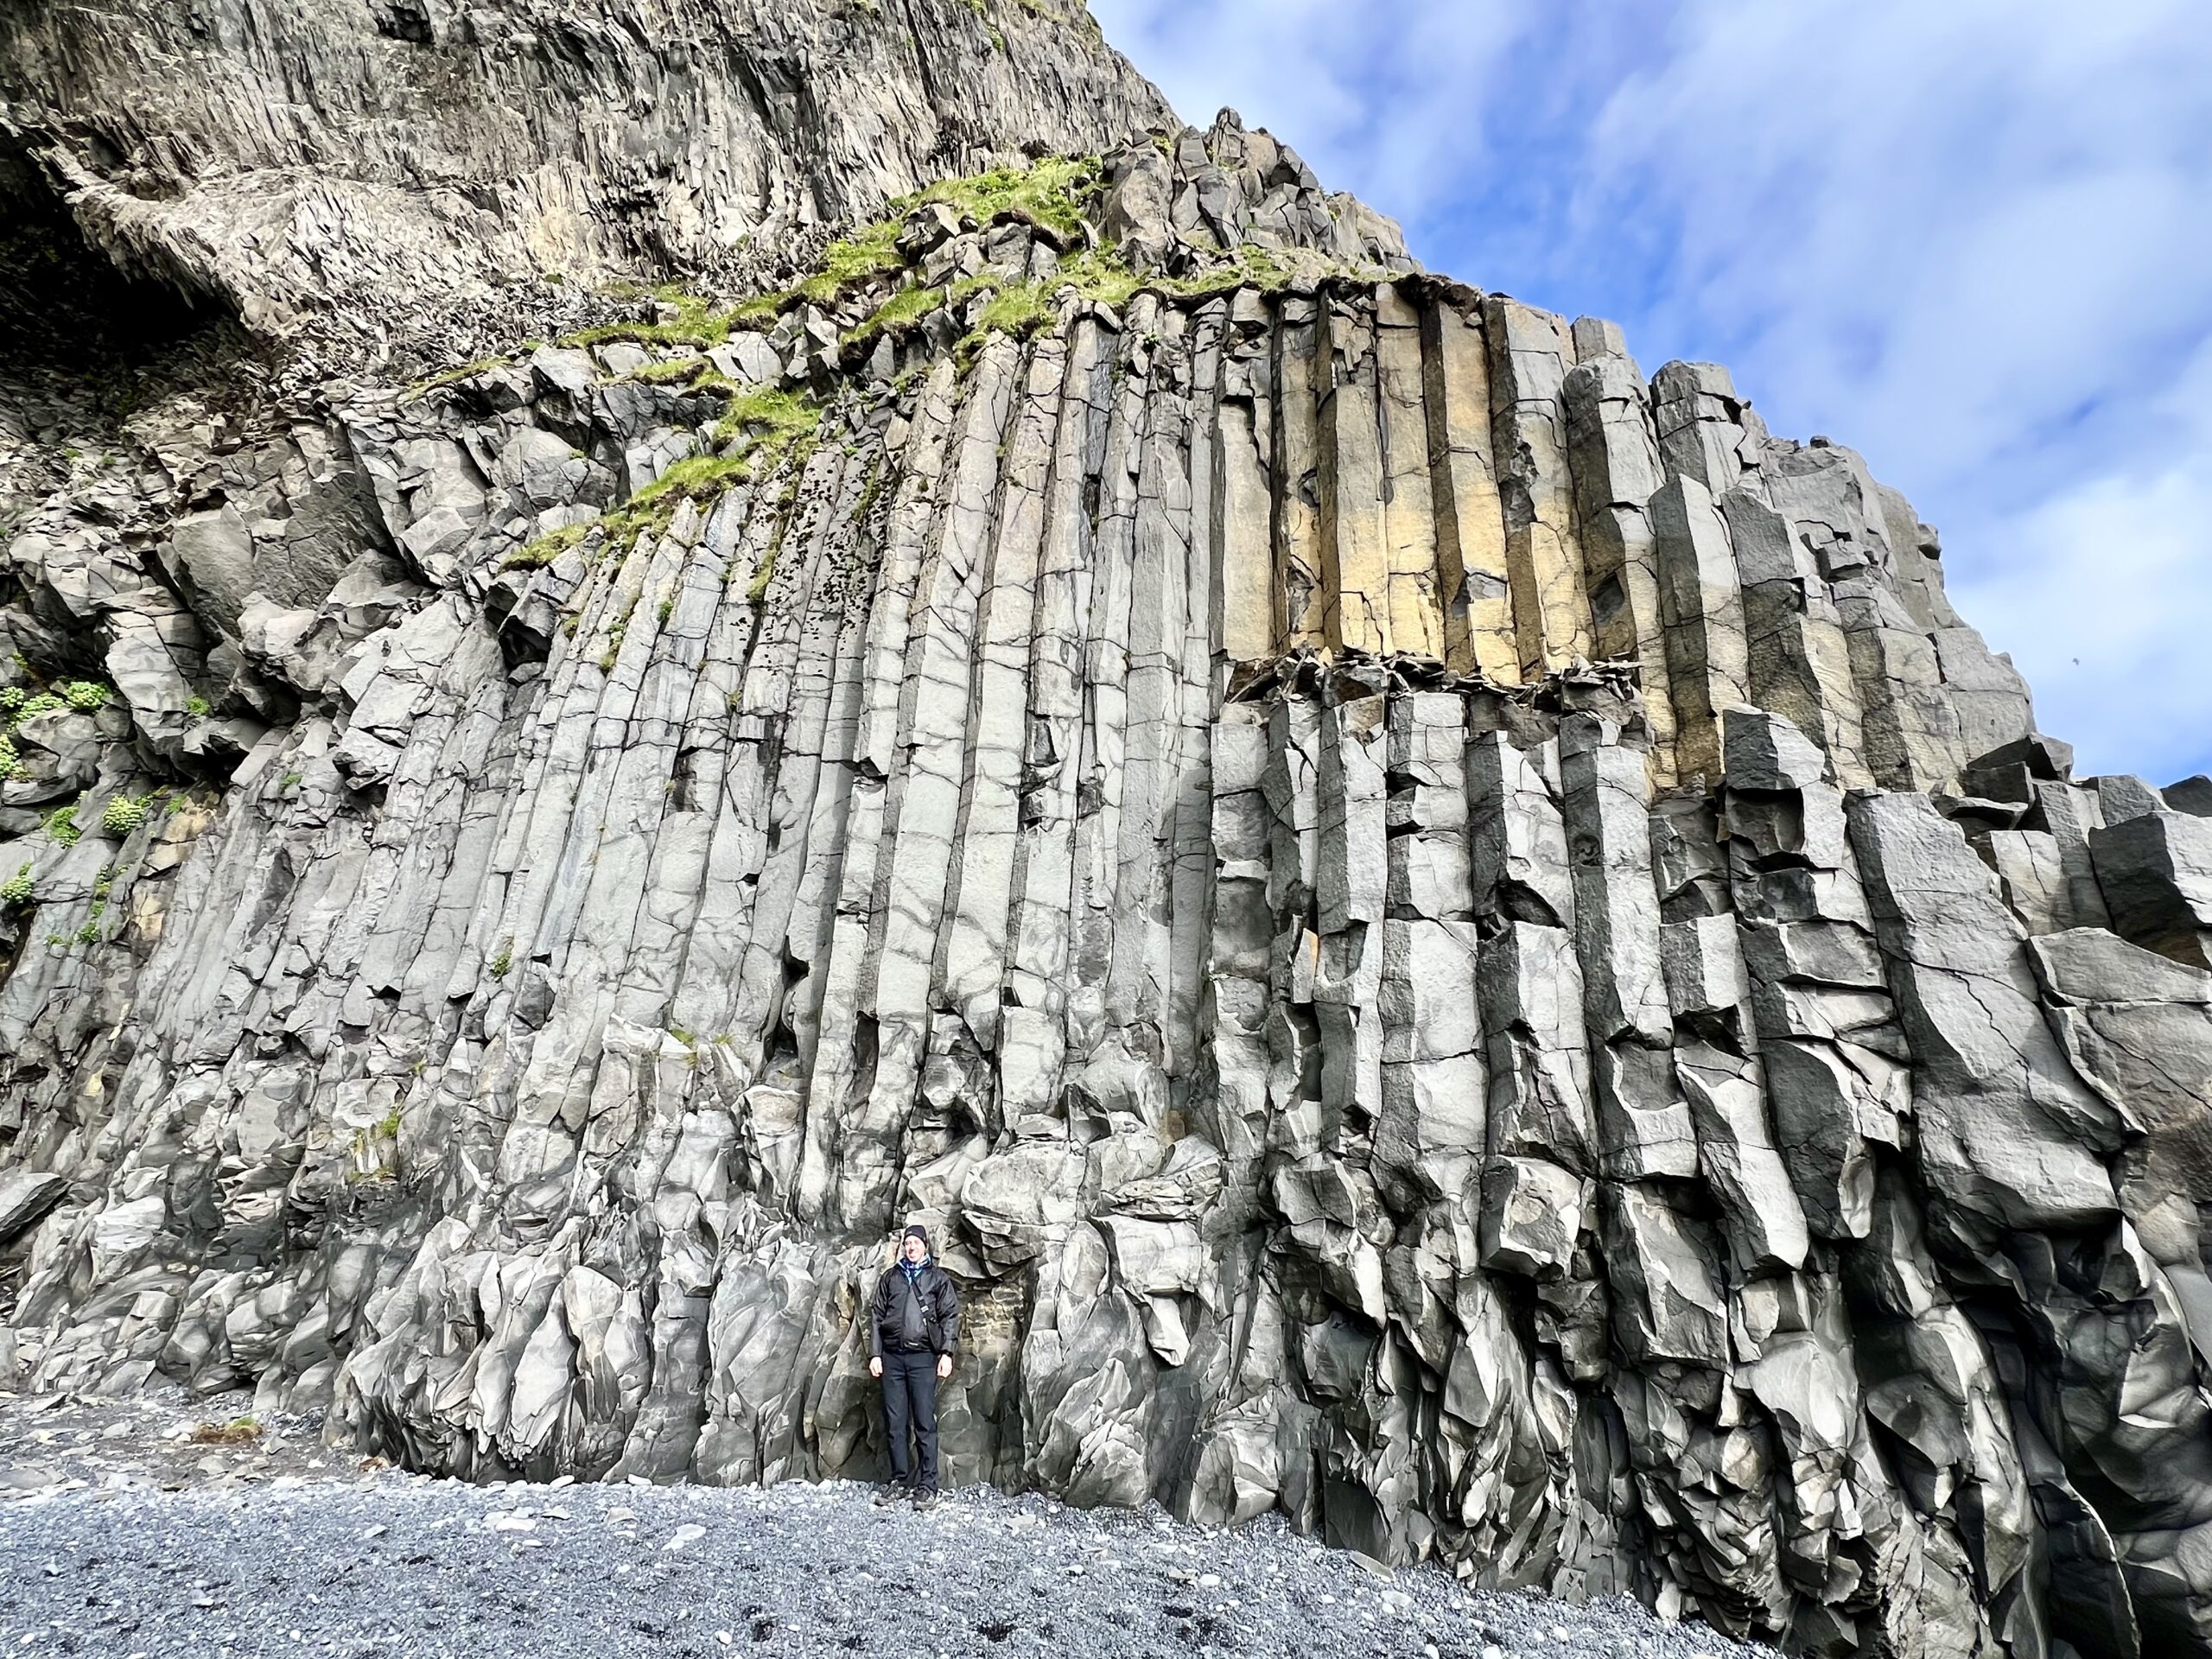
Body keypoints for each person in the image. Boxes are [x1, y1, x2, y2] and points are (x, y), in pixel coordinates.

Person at [868, 1223, 960, 1509]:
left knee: (923, 1422)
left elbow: (950, 1316)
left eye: (916, 1243)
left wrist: (946, 1353)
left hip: (923, 1358)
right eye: (907, 1243)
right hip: (892, 1358)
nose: (911, 1247)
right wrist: (875, 1354)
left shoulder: (938, 1279)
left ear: (925, 1247)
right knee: (895, 1423)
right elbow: (876, 1317)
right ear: (902, 1247)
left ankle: (928, 1485)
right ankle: (899, 1480)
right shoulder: (890, 1278)